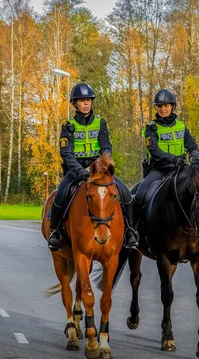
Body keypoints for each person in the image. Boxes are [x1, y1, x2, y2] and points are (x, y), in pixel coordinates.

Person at [47, 83, 139, 251]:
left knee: (124, 191)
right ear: (75, 104)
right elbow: (66, 153)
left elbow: (106, 147)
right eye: (82, 101)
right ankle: (55, 232)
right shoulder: (68, 126)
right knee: (60, 194)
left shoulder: (100, 123)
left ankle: (131, 231)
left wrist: (101, 166)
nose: (86, 103)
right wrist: (80, 171)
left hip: (98, 170)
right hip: (77, 171)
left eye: (88, 100)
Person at [133, 89, 199, 211]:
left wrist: (194, 154)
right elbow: (154, 151)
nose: (163, 109)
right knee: (140, 194)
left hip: (181, 169)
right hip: (159, 170)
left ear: (172, 106)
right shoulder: (151, 128)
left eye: (166, 106)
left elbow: (191, 146)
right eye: (159, 106)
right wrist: (173, 159)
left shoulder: (181, 126)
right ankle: (134, 227)